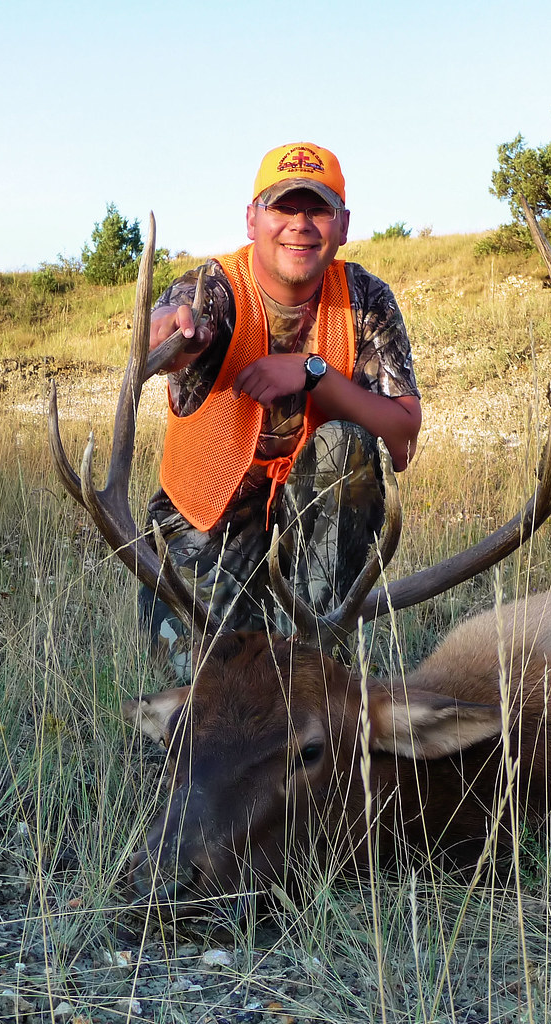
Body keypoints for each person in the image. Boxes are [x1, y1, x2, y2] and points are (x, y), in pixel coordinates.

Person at [140, 142, 421, 675]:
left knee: (347, 445)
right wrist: (176, 333)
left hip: (306, 530)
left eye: (317, 208)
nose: (301, 224)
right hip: (205, 530)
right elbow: (177, 323)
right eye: (283, 208)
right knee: (224, 689)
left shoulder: (364, 299)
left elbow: (402, 437)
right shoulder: (214, 289)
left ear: (342, 225)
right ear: (252, 219)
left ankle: (319, 654)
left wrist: (314, 375)